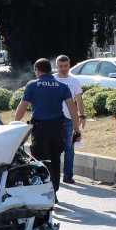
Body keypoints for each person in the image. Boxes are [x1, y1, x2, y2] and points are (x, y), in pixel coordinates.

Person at [14, 58, 81, 199]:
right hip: (57, 128)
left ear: (37, 71)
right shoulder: (61, 86)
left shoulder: (32, 85)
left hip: (40, 129)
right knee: (55, 159)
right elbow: (72, 108)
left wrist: (14, 124)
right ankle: (54, 191)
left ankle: (44, 191)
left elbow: (22, 106)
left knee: (41, 162)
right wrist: (77, 129)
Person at [55, 55, 86, 184]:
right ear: (57, 66)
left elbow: (78, 99)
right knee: (54, 148)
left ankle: (68, 175)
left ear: (69, 66)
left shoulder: (74, 81)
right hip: (54, 119)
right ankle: (53, 176)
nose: (63, 69)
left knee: (69, 148)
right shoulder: (52, 79)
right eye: (61, 66)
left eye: (66, 66)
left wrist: (81, 116)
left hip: (69, 119)